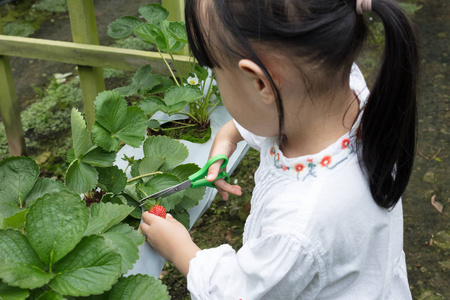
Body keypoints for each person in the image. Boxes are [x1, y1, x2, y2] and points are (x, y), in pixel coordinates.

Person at [140, 0, 419, 298]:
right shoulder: (341, 86)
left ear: (261, 84)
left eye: (215, 72)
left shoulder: (297, 226)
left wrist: (182, 250)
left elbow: (238, 292)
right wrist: (229, 135)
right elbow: (280, 112)